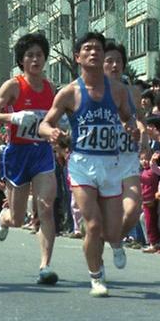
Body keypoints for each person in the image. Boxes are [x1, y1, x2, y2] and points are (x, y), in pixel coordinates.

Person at [39, 32, 136, 297]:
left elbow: (128, 117)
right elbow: (44, 124)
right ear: (78, 56)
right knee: (92, 224)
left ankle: (114, 244)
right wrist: (53, 134)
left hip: (110, 165)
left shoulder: (117, 90)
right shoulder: (69, 93)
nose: (94, 53)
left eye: (98, 49)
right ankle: (96, 276)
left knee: (112, 229)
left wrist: (131, 127)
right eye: (88, 49)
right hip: (82, 163)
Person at [0, 33, 59, 284]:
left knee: (46, 206)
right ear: (22, 61)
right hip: (17, 154)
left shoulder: (51, 89)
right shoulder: (13, 86)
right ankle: (3, 218)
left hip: (41, 153)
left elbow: (55, 120)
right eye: (30, 55)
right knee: (17, 219)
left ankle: (45, 266)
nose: (35, 59)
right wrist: (13, 117)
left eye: (39, 55)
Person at [103, 40, 143, 270]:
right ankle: (96, 265)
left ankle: (116, 241)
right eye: (109, 61)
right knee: (96, 220)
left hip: (127, 156)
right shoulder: (93, 91)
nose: (114, 65)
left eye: (118, 61)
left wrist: (142, 133)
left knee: (134, 208)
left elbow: (140, 120)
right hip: (101, 159)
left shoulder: (133, 91)